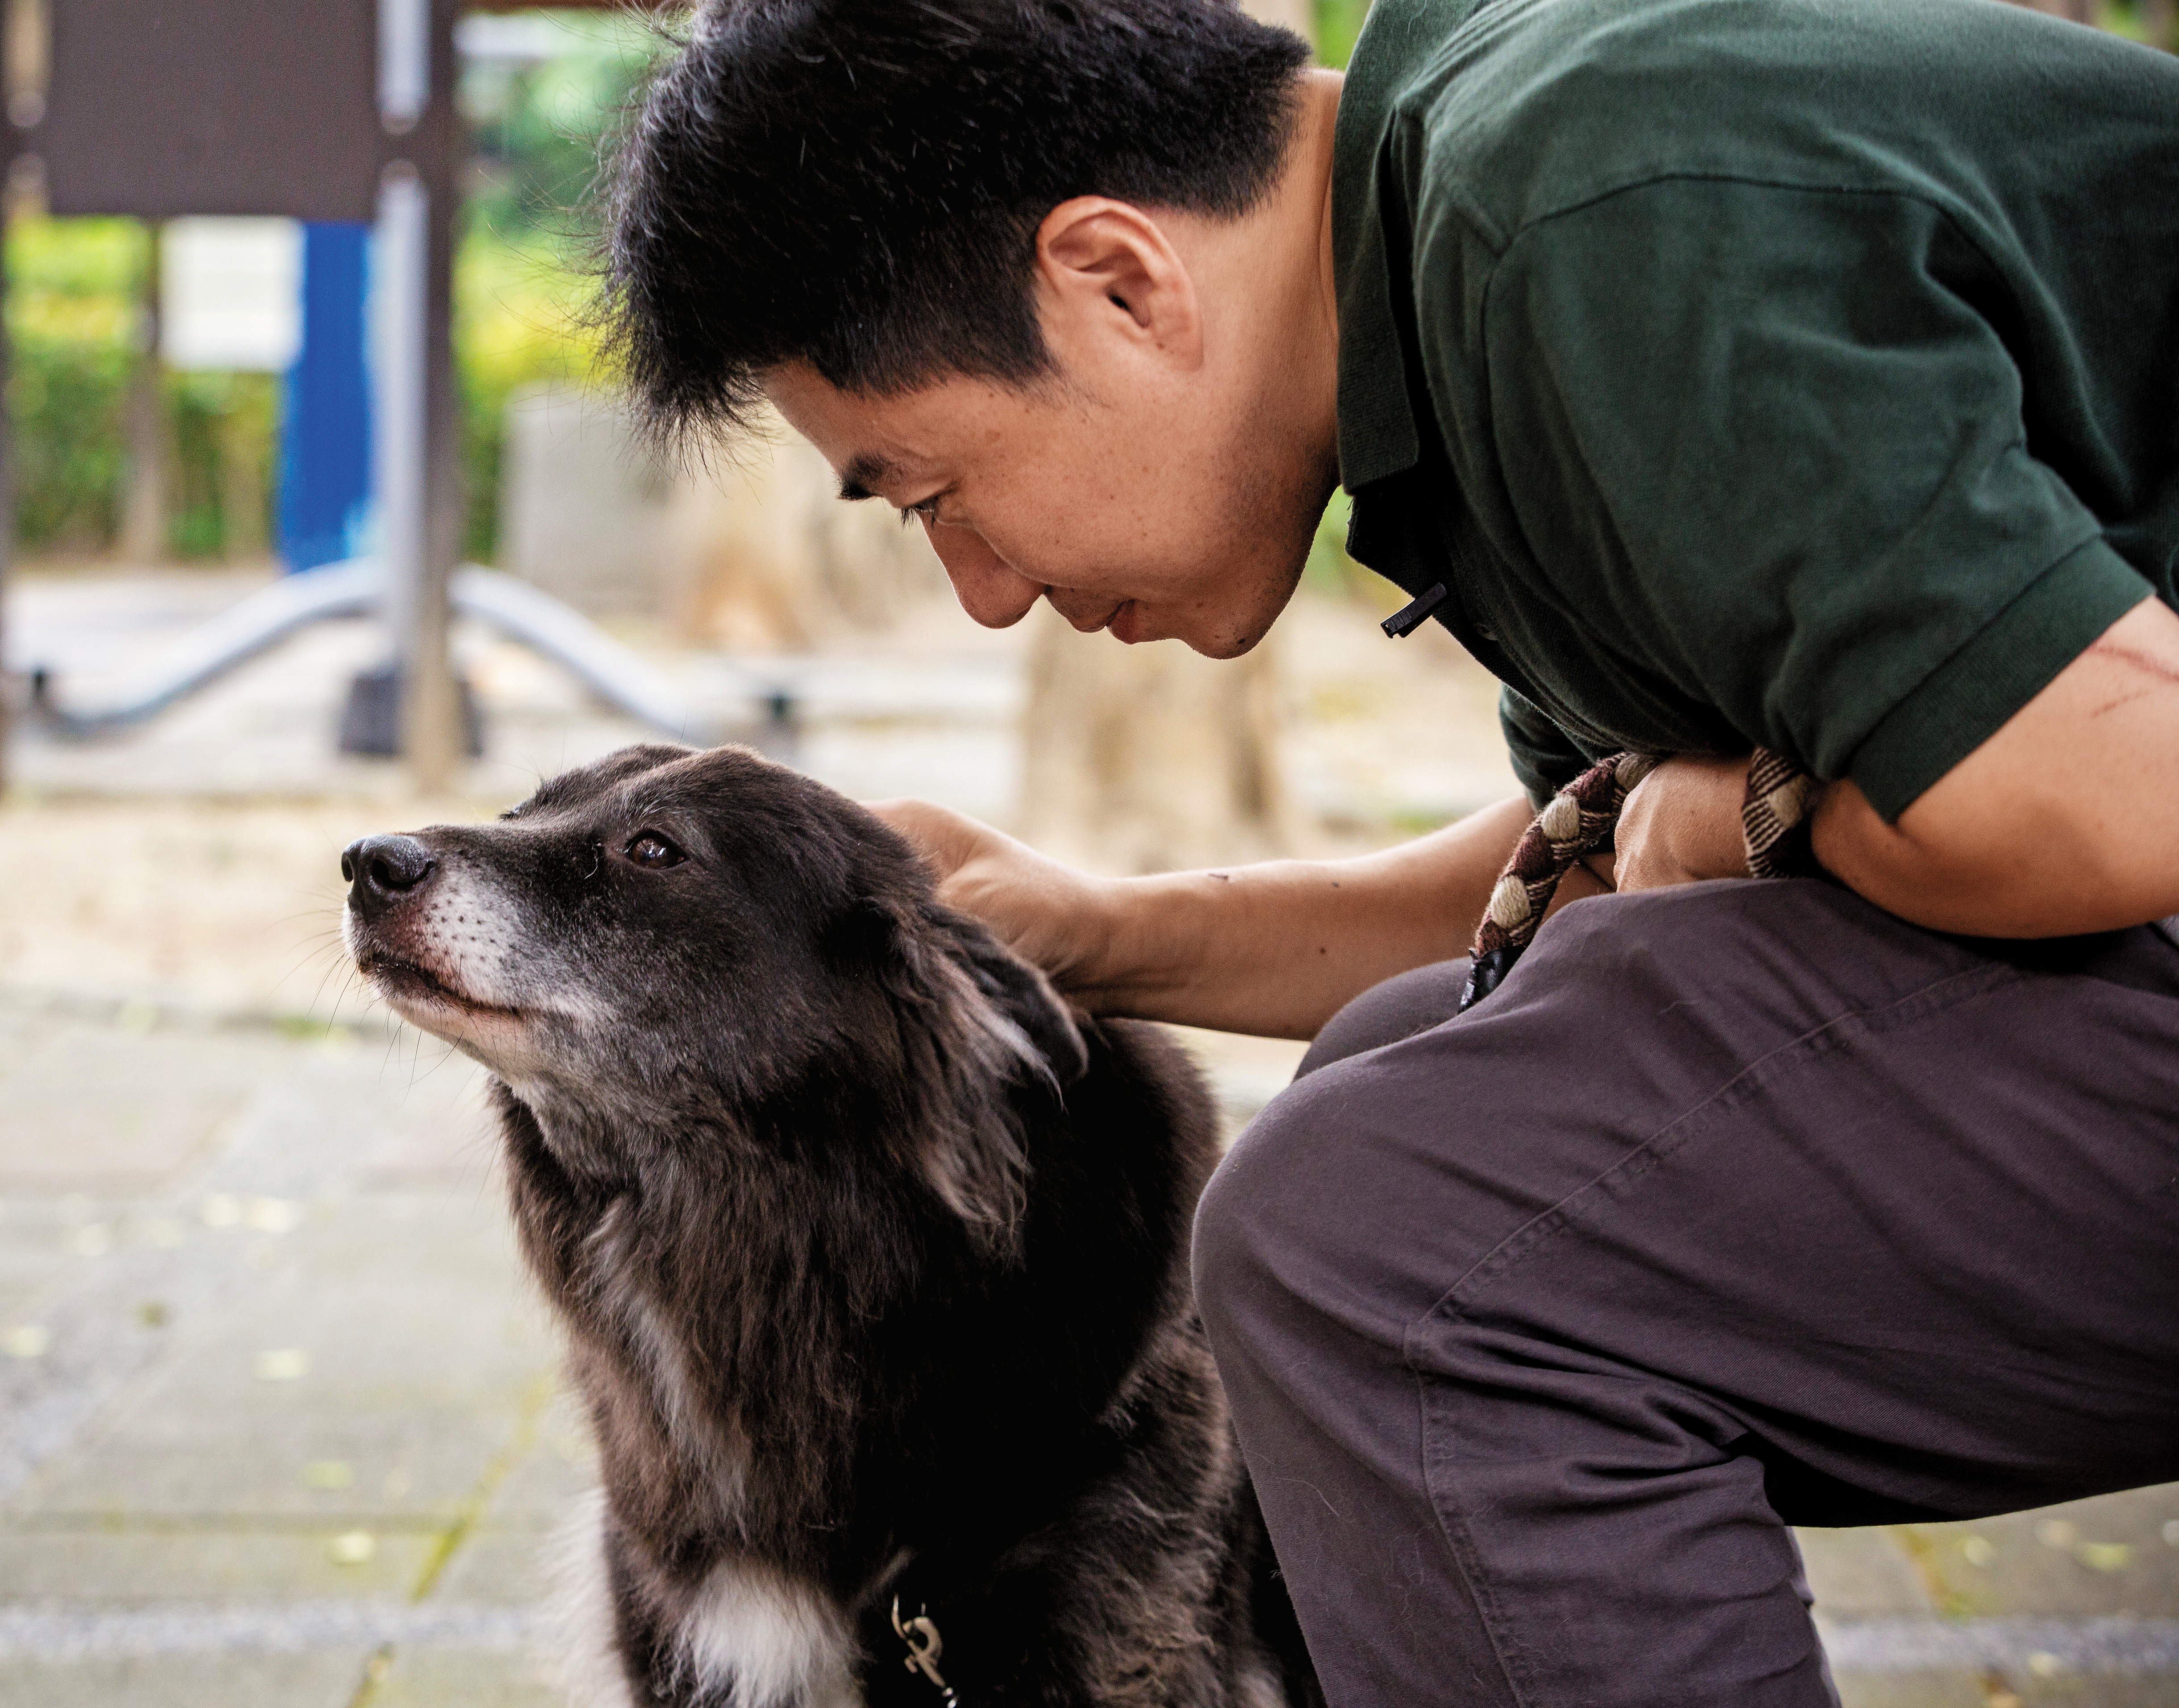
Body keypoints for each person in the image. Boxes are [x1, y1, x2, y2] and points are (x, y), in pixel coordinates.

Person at [595, 0, 2179, 1700]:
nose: (980, 588)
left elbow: (2110, 792)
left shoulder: (1590, 215)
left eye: (934, 494)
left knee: (1384, 1249)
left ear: (1119, 281)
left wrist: (1724, 811)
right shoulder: (1456, 247)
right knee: (1419, 1067)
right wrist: (1084, 930)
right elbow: (1558, 877)